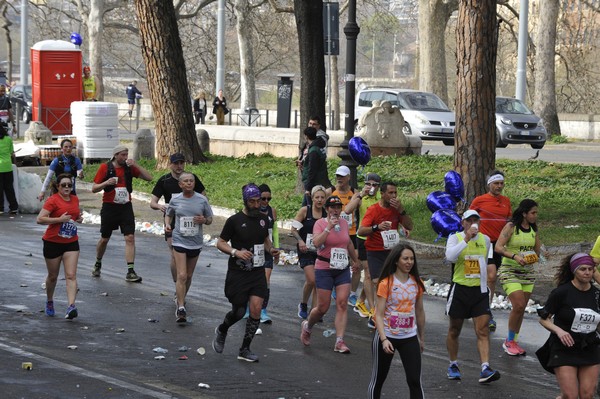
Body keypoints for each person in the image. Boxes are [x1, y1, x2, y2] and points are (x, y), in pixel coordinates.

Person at [212, 183, 280, 362]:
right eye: (253, 202)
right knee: (239, 312)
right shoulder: (234, 221)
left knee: (256, 308)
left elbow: (265, 238)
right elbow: (220, 242)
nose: (257, 205)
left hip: (257, 271)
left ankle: (245, 349)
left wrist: (271, 249)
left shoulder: (263, 219)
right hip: (238, 273)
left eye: (259, 201)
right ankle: (222, 329)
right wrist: (236, 252)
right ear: (245, 201)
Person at [445, 210, 501, 384]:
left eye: (476, 220)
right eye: (469, 221)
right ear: (463, 223)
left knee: (482, 330)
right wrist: (467, 239)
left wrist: (487, 284)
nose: (473, 224)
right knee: (455, 329)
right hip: (460, 289)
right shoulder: (455, 238)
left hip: (479, 291)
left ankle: (485, 368)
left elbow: (485, 262)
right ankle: (453, 364)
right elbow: (450, 257)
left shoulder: (485, 240)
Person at [300, 196, 360, 353]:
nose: (335, 210)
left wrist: (355, 260)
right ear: (327, 209)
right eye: (332, 207)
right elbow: (316, 243)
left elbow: (348, 243)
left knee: (342, 303)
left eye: (338, 207)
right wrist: (328, 228)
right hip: (324, 268)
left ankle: (339, 341)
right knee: (322, 307)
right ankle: (308, 326)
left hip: (341, 269)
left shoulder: (344, 223)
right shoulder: (319, 223)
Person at [537, 253, 600, 399]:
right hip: (564, 347)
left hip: (589, 347)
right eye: (583, 269)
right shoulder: (561, 292)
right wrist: (559, 331)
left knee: (587, 394)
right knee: (570, 395)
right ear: (574, 270)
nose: (587, 272)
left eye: (590, 269)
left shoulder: (597, 294)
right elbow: (544, 319)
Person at [368, 243, 425, 399]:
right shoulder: (386, 283)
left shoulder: (417, 283)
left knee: (414, 381)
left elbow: (419, 312)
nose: (409, 262)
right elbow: (378, 315)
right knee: (378, 380)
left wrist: (421, 337)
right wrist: (383, 339)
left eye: (412, 259)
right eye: (405, 258)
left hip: (409, 337)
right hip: (387, 337)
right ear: (396, 261)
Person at [91, 145, 153, 282]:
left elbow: (149, 178)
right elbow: (94, 188)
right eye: (123, 155)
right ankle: (98, 262)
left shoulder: (129, 168)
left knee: (130, 237)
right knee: (105, 239)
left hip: (125, 207)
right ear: (116, 155)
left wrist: (136, 165)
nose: (125, 158)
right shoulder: (105, 168)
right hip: (109, 207)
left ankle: (130, 271)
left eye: (127, 155)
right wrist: (106, 183)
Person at [357, 181, 413, 329]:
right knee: (378, 282)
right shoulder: (373, 210)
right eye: (391, 193)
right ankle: (376, 315)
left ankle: (385, 313)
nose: (394, 196)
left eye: (395, 193)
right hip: (375, 251)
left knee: (391, 285)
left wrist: (401, 211)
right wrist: (377, 227)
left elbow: (409, 226)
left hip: (392, 252)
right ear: (382, 194)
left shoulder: (396, 210)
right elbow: (361, 231)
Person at [150, 153, 206, 288]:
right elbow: (152, 202)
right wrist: (159, 206)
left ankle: (182, 283)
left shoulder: (191, 179)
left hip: (190, 221)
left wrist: (201, 213)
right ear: (170, 165)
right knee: (174, 254)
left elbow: (204, 197)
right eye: (176, 163)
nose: (179, 166)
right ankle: (178, 283)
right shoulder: (164, 181)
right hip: (172, 221)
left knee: (189, 256)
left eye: (181, 163)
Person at [165, 172, 213, 323]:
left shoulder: (202, 200)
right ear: (180, 185)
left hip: (195, 241)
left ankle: (181, 296)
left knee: (189, 276)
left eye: (191, 181)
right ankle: (180, 307)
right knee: (182, 275)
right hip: (179, 240)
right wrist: (167, 224)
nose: (189, 183)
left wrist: (204, 220)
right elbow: (169, 214)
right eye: (185, 181)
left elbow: (210, 219)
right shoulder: (175, 199)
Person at [495, 199, 541, 356]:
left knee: (520, 309)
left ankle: (513, 340)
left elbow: (537, 252)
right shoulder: (511, 227)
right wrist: (514, 256)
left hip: (527, 273)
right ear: (524, 213)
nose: (535, 216)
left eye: (536, 213)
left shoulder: (533, 229)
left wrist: (535, 257)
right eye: (533, 213)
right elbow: (498, 247)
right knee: (519, 305)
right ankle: (508, 341)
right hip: (509, 270)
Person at [470, 170, 512, 331]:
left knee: (490, 279)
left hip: (498, 246)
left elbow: (509, 222)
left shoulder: (506, 201)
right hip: (482, 244)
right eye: (496, 183)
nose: (499, 186)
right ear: (489, 184)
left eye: (501, 183)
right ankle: (484, 311)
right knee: (490, 275)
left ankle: (484, 309)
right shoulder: (479, 200)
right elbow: (469, 219)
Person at [36, 173, 83, 319]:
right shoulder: (52, 200)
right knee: (53, 276)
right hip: (52, 242)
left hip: (71, 242)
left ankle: (71, 306)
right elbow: (40, 219)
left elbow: (74, 216)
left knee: (71, 275)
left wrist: (78, 218)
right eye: (64, 185)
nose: (67, 187)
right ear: (58, 186)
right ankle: (50, 301)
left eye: (69, 185)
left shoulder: (75, 199)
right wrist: (59, 219)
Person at [292, 185, 327, 319]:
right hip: (305, 249)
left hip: (320, 250)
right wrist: (300, 241)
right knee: (311, 280)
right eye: (317, 197)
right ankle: (303, 304)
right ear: (312, 198)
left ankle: (315, 311)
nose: (319, 200)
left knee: (317, 282)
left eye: (322, 197)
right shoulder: (305, 211)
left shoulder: (326, 214)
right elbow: (294, 229)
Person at [330, 166, 360, 307]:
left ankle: (352, 294)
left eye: (342, 176)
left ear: (349, 177)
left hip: (352, 233)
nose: (339, 178)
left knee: (356, 264)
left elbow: (358, 205)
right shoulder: (331, 192)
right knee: (339, 262)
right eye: (337, 176)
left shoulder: (355, 192)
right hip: (336, 232)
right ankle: (337, 287)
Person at [353, 173, 382, 319]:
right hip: (363, 238)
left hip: (377, 239)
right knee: (369, 274)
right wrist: (360, 195)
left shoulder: (380, 199)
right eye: (369, 184)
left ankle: (360, 301)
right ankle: (373, 308)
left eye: (375, 185)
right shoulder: (360, 197)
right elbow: (348, 210)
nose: (371, 187)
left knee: (374, 275)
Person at [257, 183, 279, 323]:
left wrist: (277, 248)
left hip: (268, 250)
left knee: (265, 280)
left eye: (268, 199)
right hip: (254, 249)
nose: (266, 202)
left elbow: (275, 231)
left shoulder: (272, 211)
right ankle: (249, 308)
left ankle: (263, 310)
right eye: (263, 198)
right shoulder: (252, 210)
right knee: (252, 279)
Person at [301, 126, 331, 205]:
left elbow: (312, 169)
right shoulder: (319, 146)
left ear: (306, 136)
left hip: (314, 183)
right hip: (318, 181)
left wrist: (308, 188)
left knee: (306, 205)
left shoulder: (313, 150)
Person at [0, 123, 17, 214]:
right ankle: (14, 207)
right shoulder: (8, 139)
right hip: (8, 167)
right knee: (9, 188)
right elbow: (12, 153)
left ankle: (1, 208)